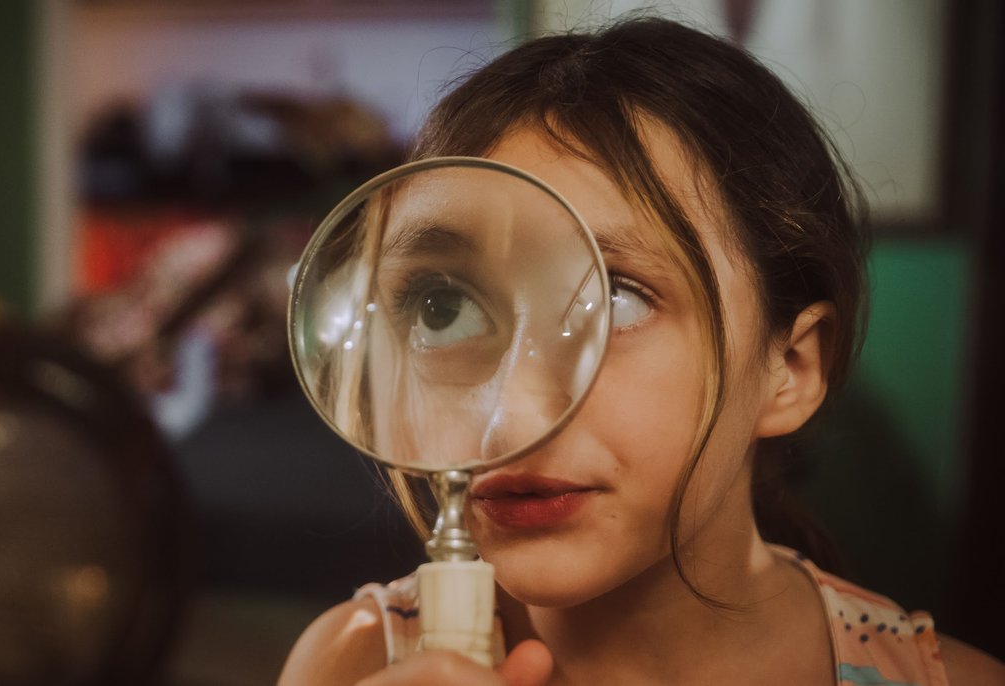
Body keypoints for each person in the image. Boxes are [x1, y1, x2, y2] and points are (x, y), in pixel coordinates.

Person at [278, 18, 1004, 686]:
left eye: (619, 299)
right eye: (443, 308)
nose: (505, 419)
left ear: (790, 369)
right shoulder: (349, 662)